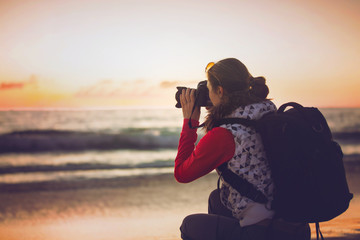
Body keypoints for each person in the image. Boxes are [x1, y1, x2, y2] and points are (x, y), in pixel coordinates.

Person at [174, 58, 310, 240]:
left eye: (209, 89)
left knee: (189, 225)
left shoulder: (225, 134)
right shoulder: (268, 113)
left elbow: (182, 173)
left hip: (264, 232)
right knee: (218, 199)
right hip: (294, 225)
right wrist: (219, 109)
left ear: (220, 91)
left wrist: (190, 122)